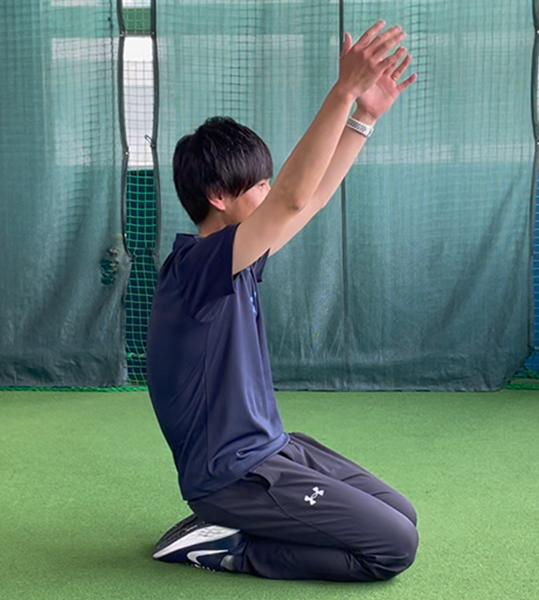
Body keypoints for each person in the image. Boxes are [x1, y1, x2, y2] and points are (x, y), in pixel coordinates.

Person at [145, 21, 419, 582]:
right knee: (393, 548)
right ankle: (228, 547)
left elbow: (308, 199)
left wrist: (363, 118)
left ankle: (246, 531)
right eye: (259, 186)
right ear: (218, 198)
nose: (271, 194)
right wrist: (340, 93)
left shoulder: (238, 262)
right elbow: (294, 197)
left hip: (278, 450)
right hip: (232, 477)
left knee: (403, 516)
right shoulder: (195, 269)